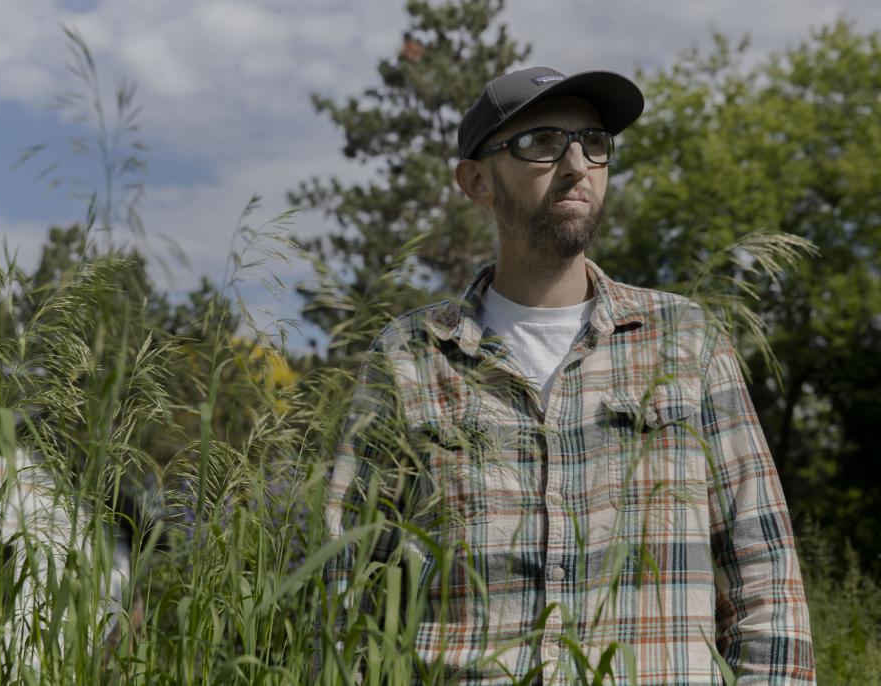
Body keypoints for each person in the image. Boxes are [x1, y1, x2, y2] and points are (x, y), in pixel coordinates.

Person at [323, 67, 816, 684]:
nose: (577, 163)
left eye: (594, 142)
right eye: (541, 143)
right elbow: (347, 587)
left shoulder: (686, 342)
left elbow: (765, 576)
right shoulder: (411, 355)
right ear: (476, 180)